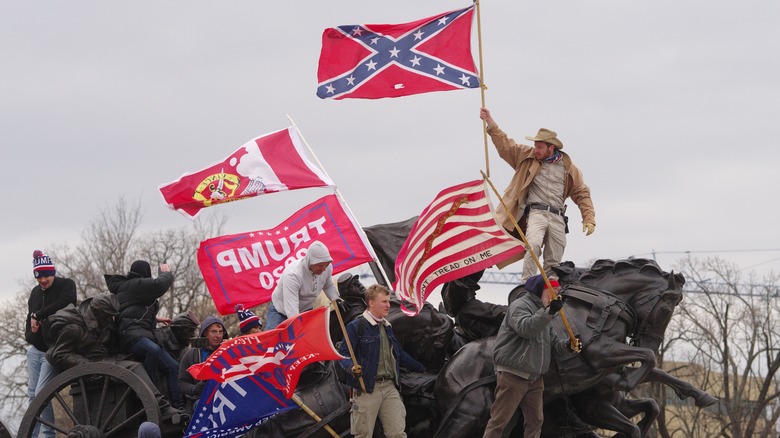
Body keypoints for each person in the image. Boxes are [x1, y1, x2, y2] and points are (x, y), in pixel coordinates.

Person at [479, 108, 596, 282]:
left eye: (540, 147)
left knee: (554, 260)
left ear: (551, 148)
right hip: (536, 213)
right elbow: (505, 145)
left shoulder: (568, 168)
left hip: (557, 216)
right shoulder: (526, 156)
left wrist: (589, 218)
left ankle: (551, 292)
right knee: (532, 245)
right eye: (535, 145)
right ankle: (526, 283)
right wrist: (490, 122)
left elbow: (581, 193)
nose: (536, 150)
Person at [45, 293, 183, 419]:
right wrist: (87, 364)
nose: (110, 319)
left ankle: (169, 405)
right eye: (107, 315)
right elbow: (58, 355)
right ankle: (161, 406)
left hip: (108, 362)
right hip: (91, 369)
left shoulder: (104, 322)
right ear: (97, 312)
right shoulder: (73, 328)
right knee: (135, 367)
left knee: (146, 357)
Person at [482, 275, 580, 438]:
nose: (557, 294)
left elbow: (554, 345)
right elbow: (526, 329)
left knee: (535, 421)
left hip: (534, 378)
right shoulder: (520, 306)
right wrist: (549, 312)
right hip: (514, 375)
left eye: (558, 291)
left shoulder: (546, 311)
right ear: (541, 290)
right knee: (499, 421)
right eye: (553, 290)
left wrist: (569, 346)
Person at [339, 284, 426, 438]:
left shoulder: (386, 327)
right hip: (366, 390)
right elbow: (344, 354)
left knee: (398, 434)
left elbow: (398, 354)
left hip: (390, 387)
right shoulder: (356, 327)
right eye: (384, 302)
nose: (388, 305)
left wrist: (422, 368)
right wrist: (351, 368)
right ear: (371, 303)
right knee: (363, 435)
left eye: (388, 301)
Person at [105, 260, 183, 409]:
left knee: (173, 367)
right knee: (152, 350)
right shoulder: (133, 284)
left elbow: (131, 310)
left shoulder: (135, 289)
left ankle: (179, 407)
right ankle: (153, 394)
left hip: (143, 333)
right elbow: (161, 284)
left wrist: (155, 319)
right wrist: (165, 272)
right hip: (128, 335)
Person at [25, 250, 77, 438]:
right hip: (35, 350)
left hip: (54, 350)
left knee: (41, 394)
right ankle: (30, 435)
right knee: (32, 395)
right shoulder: (35, 293)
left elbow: (66, 302)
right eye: (39, 277)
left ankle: (49, 435)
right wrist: (30, 334)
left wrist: (39, 315)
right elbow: (29, 317)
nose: (43, 280)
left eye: (46, 275)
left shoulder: (66, 285)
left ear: (53, 273)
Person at [265, 241, 339, 330]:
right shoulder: (293, 275)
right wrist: (299, 330)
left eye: (326, 265)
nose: (324, 269)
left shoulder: (327, 268)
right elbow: (291, 308)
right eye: (320, 265)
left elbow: (328, 286)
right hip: (281, 311)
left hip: (306, 310)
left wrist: (336, 301)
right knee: (272, 341)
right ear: (311, 262)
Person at [178, 316, 229, 414]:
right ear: (205, 332)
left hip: (226, 398)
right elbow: (181, 383)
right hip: (199, 401)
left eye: (220, 332)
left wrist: (231, 350)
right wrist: (194, 389)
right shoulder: (191, 354)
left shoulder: (228, 350)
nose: (218, 336)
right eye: (214, 332)